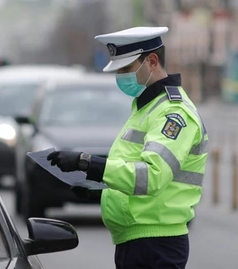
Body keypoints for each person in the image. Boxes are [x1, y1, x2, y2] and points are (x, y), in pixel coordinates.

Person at [47, 26, 208, 269]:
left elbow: (152, 176)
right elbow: (136, 171)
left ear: (152, 61)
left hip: (157, 243)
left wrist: (87, 163)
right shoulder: (146, 107)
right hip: (139, 239)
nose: (120, 76)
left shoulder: (173, 113)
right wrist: (101, 193)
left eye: (126, 69)